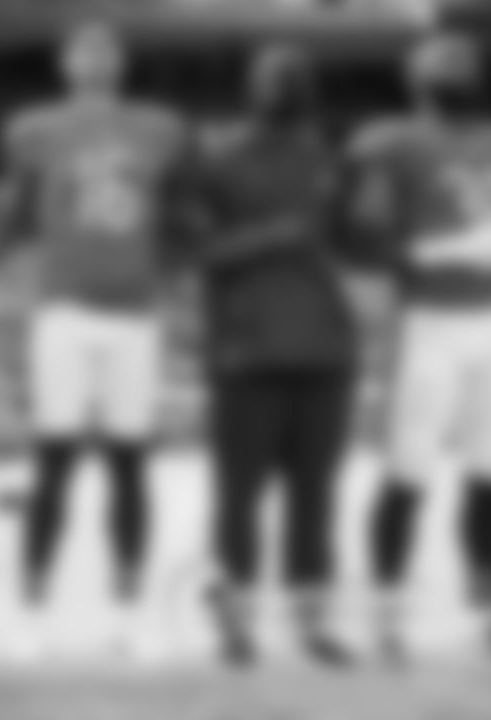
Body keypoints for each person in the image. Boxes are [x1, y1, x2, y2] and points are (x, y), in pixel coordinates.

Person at [0, 22, 189, 660]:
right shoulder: (35, 130)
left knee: (129, 464)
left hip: (135, 315)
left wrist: (185, 285)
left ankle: (129, 611)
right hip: (65, 313)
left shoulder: (159, 129)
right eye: (84, 46)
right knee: (53, 461)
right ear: (63, 63)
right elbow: (12, 218)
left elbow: (177, 221)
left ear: (124, 61)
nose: (97, 54)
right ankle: (31, 610)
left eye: (108, 45)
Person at [173, 44, 373, 668]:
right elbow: (196, 252)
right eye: (271, 79)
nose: (283, 89)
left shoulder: (329, 158)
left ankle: (312, 624)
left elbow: (355, 244)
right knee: (239, 495)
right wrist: (273, 236)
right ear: (249, 87)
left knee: (316, 494)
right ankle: (235, 624)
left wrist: (375, 221)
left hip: (325, 347)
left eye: (294, 79)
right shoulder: (213, 158)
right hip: (247, 349)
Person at [353, 32, 491, 662]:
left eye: (461, 68)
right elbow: (364, 230)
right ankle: (388, 608)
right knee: (409, 468)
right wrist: (429, 252)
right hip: (430, 322)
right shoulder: (392, 142)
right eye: (446, 70)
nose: (454, 78)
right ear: (417, 82)